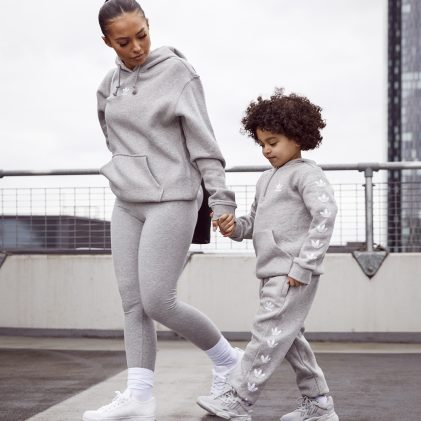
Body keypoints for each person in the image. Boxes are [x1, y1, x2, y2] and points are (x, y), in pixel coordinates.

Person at [82, 1, 243, 420]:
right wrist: (129, 170)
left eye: (142, 35)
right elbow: (112, 138)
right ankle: (139, 398)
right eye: (124, 42)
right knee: (132, 304)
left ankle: (229, 361)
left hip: (173, 198)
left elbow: (204, 144)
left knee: (158, 300)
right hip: (127, 202)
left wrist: (221, 200)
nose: (136, 47)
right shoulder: (107, 86)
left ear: (149, 26)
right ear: (107, 42)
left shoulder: (177, 73)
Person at [197, 89, 339, 421]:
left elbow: (326, 215)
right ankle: (319, 404)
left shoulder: (307, 174)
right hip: (271, 273)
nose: (266, 150)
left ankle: (239, 399)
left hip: (291, 274)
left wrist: (304, 266)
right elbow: (252, 224)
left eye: (272, 142)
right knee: (288, 339)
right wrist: (232, 227)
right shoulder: (265, 180)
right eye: (261, 143)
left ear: (297, 137)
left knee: (266, 335)